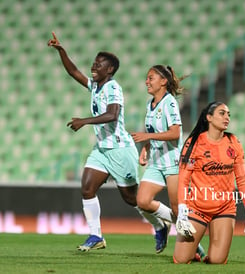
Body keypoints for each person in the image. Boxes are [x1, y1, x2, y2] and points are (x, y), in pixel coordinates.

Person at [47, 32, 163, 251]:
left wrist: (84, 121)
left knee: (134, 200)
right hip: (102, 149)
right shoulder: (96, 86)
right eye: (94, 62)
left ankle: (160, 225)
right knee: (87, 188)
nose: (94, 65)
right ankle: (96, 236)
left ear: (109, 70)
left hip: (120, 149)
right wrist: (61, 50)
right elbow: (73, 72)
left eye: (99, 64)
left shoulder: (113, 87)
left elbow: (112, 115)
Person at [173, 101, 245, 264]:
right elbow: (184, 180)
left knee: (217, 260)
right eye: (222, 113)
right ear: (209, 117)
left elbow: (241, 178)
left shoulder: (233, 142)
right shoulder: (194, 143)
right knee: (181, 259)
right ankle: (193, 249)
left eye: (228, 114)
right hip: (197, 207)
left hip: (224, 207)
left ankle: (205, 250)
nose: (227, 117)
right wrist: (182, 213)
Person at [131, 65, 204, 256]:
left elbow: (175, 133)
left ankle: (197, 247)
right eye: (147, 78)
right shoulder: (150, 103)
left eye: (151, 78)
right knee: (142, 201)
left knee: (177, 208)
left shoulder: (169, 102)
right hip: (156, 161)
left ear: (163, 81)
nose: (147, 81)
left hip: (172, 162)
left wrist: (147, 138)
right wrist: (145, 149)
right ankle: (162, 226)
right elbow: (151, 132)